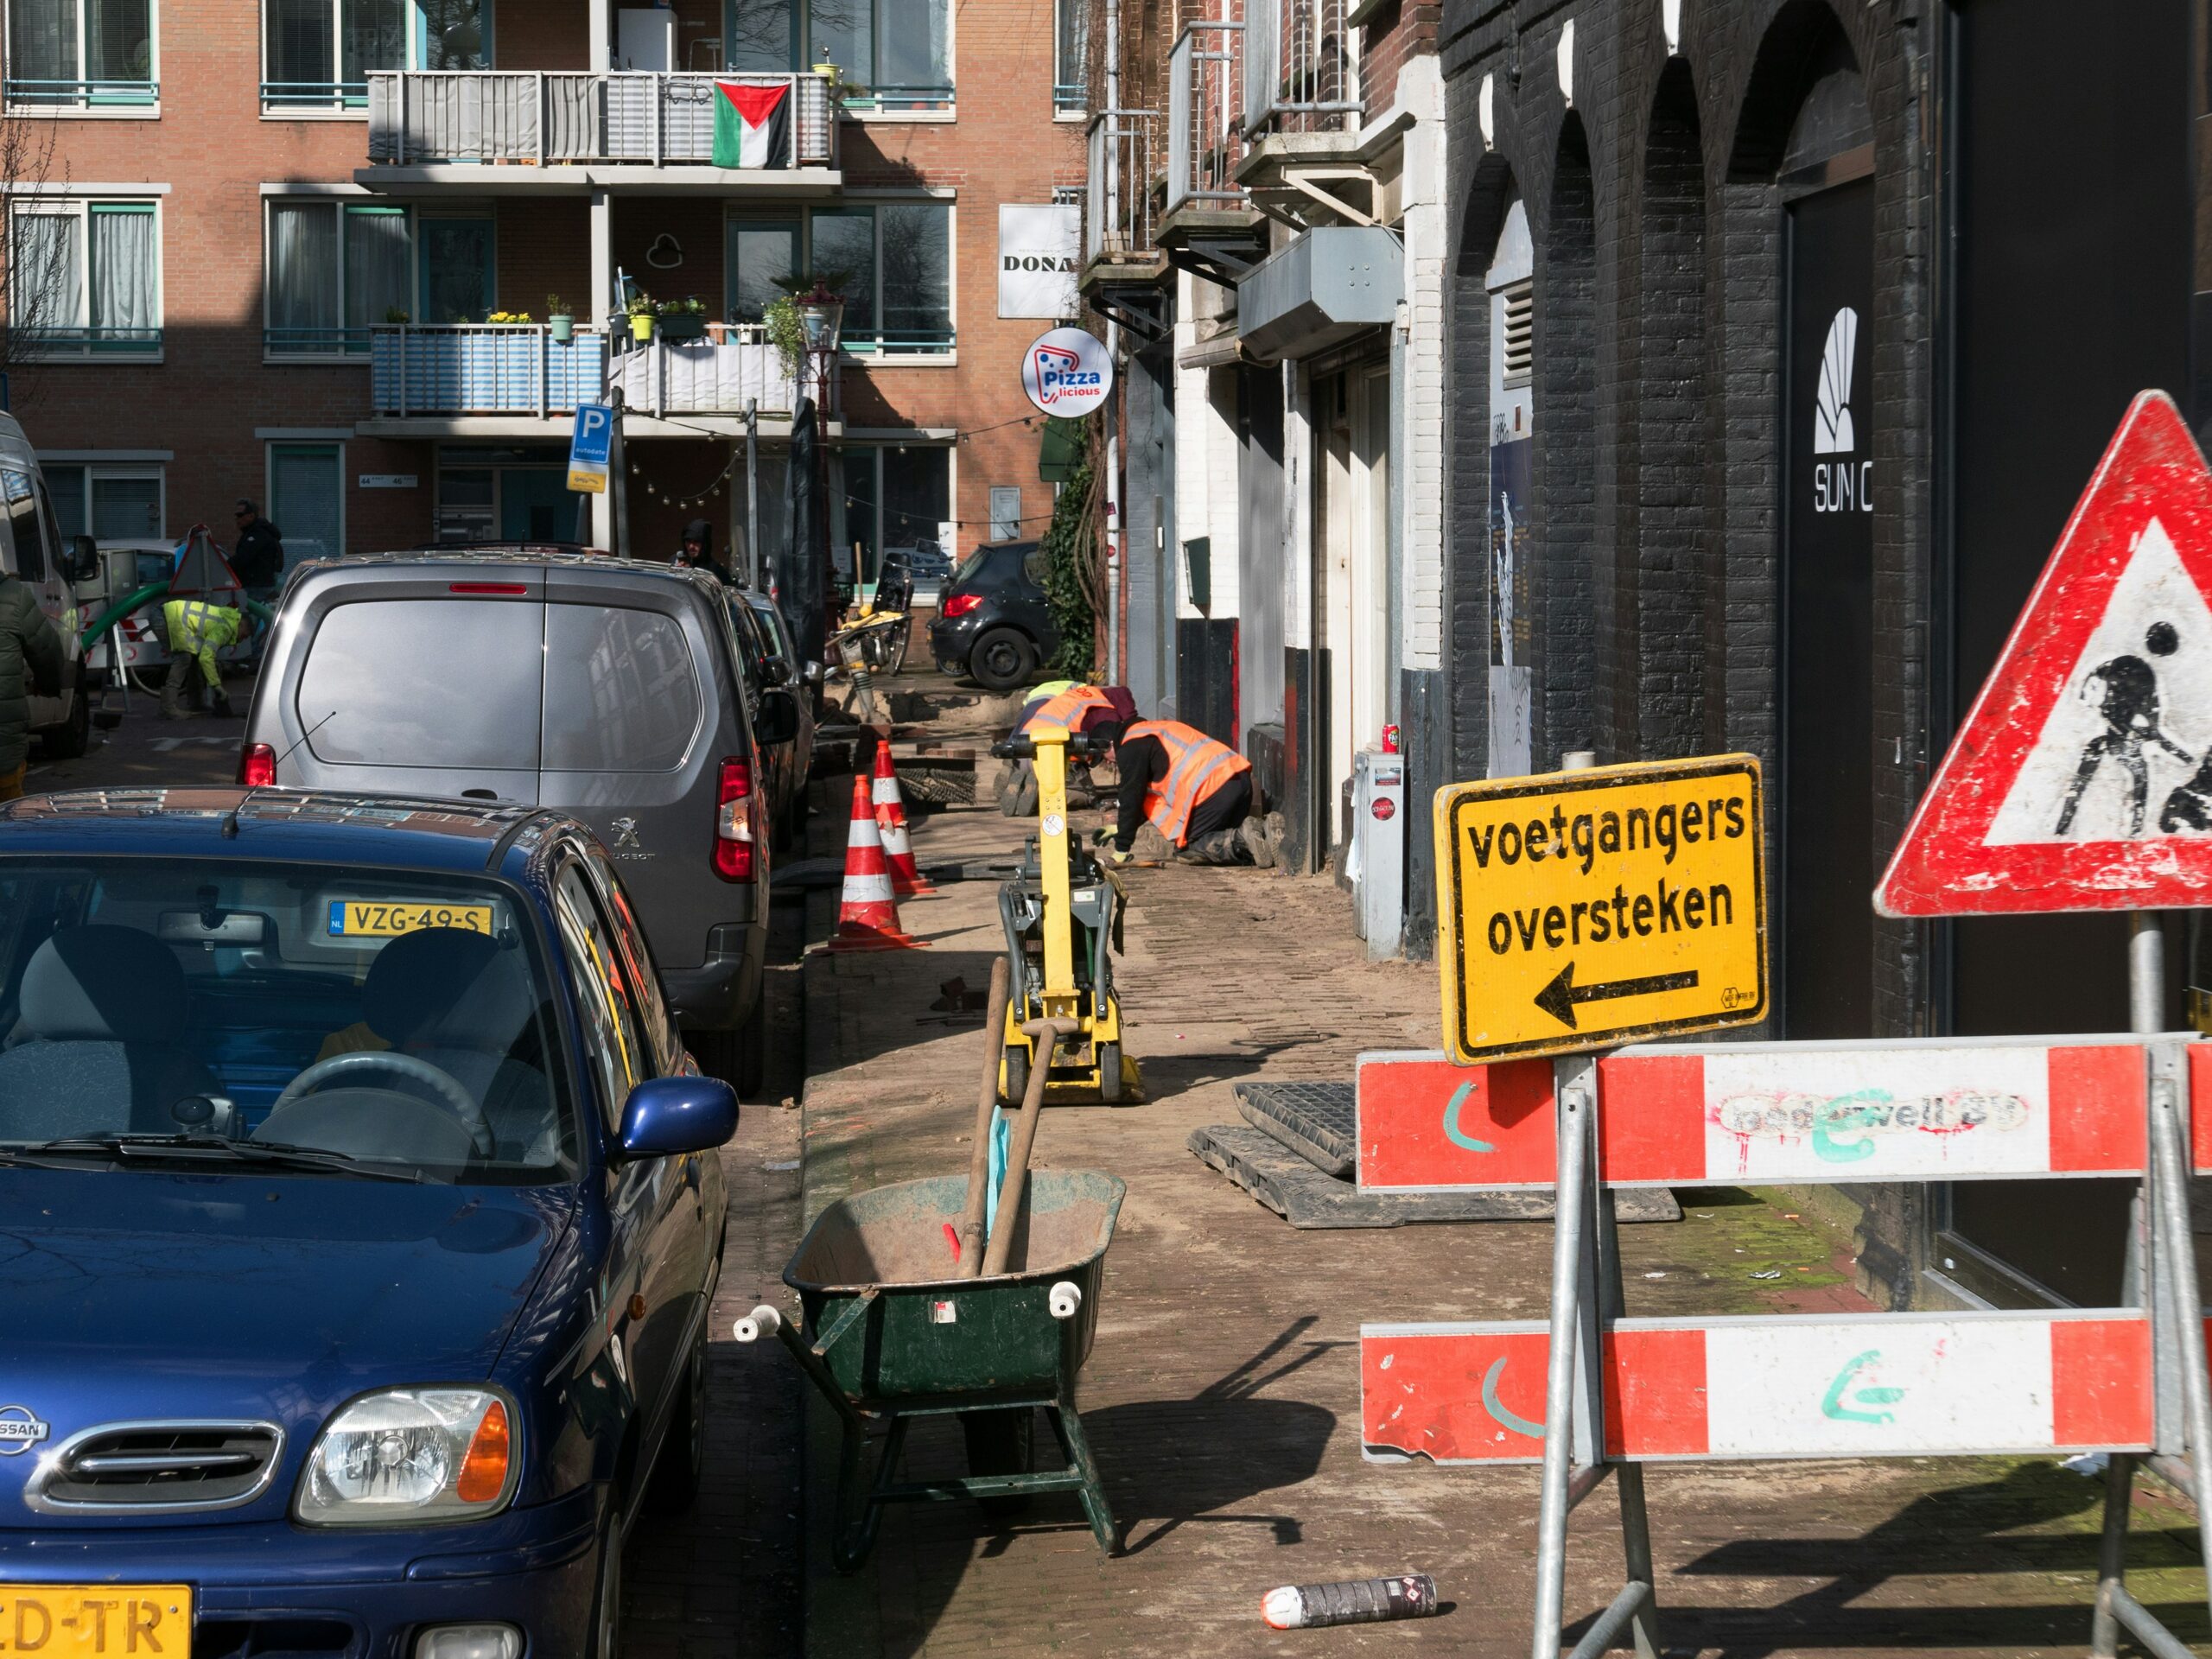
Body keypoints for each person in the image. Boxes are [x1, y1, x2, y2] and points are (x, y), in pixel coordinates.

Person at [1099, 716, 1272, 867]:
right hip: (1239, 779)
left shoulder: (1130, 747)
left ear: (1109, 744)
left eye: (1102, 757)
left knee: (1187, 849)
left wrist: (1122, 848)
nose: (1107, 763)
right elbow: (1141, 799)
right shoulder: (1149, 730)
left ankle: (1241, 838)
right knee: (1217, 835)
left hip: (1213, 790)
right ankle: (1265, 833)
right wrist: (1121, 827)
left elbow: (1132, 796)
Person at [0, 568, 61, 799]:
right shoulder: (14, 596)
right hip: (3, 749)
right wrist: (46, 685)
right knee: (8, 824)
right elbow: (49, 652)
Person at [161, 596, 243, 721]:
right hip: (166, 617)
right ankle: (168, 708)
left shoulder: (227, 618)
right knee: (184, 658)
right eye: (245, 635)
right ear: (241, 625)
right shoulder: (225, 628)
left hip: (170, 614)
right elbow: (206, 657)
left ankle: (196, 703)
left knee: (193, 657)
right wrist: (217, 686)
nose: (243, 639)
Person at [229, 499, 284, 601]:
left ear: (251, 516)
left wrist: (224, 565)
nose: (237, 519)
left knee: (246, 615)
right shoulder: (253, 532)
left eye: (240, 515)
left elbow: (243, 558)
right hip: (258, 586)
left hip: (256, 588)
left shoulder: (258, 534)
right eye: (236, 515)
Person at [675, 518, 731, 585]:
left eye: (696, 542)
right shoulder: (676, 561)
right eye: (688, 541)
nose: (691, 546)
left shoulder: (716, 571)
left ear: (705, 544)